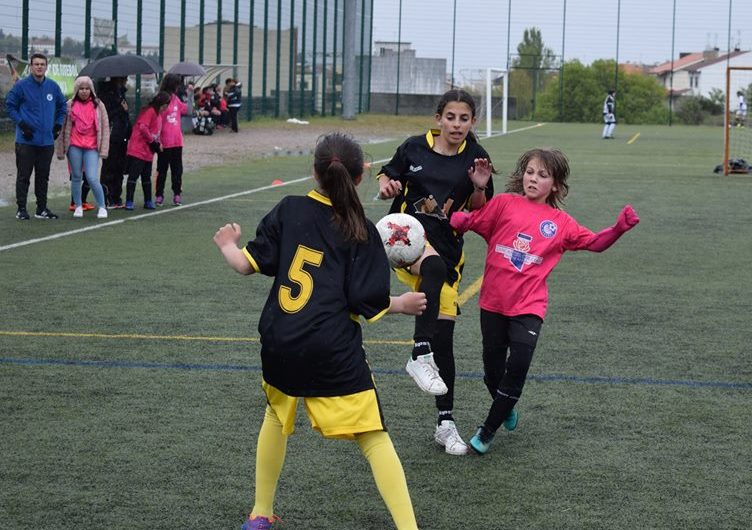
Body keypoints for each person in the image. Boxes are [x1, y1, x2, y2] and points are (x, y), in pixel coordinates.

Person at [213, 133, 425, 530]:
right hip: (330, 348)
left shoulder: (289, 208)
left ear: (313, 171)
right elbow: (367, 299)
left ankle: (260, 513)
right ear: (361, 175)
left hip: (280, 341)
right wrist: (402, 303)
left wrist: (228, 243)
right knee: (373, 435)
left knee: (276, 416)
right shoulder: (360, 227)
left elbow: (244, 265)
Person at [449, 148, 639, 455]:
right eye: (530, 172)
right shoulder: (504, 204)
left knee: (519, 365)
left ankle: (486, 431)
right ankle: (506, 405)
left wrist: (618, 229)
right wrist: (462, 221)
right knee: (492, 372)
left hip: (529, 306)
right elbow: (475, 220)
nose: (533, 179)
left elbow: (594, 243)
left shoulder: (560, 223)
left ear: (556, 186)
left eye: (542, 175)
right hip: (493, 303)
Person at [376, 89, 495, 456]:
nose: (456, 124)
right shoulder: (413, 147)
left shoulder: (477, 158)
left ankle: (445, 424)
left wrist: (478, 188)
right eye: (450, 118)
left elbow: (478, 211)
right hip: (404, 239)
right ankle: (418, 352)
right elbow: (387, 178)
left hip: (448, 250)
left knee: (445, 338)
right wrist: (386, 186)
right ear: (438, 119)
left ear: (472, 122)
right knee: (433, 266)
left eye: (464, 119)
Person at [5, 53, 67, 220]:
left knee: (43, 177)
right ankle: (21, 209)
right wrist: (22, 124)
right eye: (36, 64)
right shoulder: (21, 86)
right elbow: (10, 106)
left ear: (46, 67)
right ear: (31, 67)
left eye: (42, 64)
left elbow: (62, 107)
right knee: (24, 176)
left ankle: (41, 209)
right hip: (26, 141)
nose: (39, 66)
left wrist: (58, 125)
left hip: (46, 142)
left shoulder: (53, 87)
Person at [55, 76, 110, 219]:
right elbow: (62, 128)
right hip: (74, 146)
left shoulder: (99, 105)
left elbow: (104, 127)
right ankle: (78, 205)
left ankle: (102, 207)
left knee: (92, 177)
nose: (84, 91)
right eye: (81, 89)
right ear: (76, 90)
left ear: (91, 90)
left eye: (87, 88)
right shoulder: (69, 105)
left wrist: (103, 149)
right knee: (76, 177)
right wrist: (61, 149)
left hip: (91, 147)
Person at [125, 91, 169, 210]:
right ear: (161, 104)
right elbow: (143, 127)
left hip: (148, 152)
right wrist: (153, 142)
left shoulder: (159, 116)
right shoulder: (149, 111)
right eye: (165, 105)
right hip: (138, 150)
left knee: (146, 177)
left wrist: (159, 144)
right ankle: (129, 201)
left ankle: (148, 200)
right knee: (133, 176)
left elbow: (157, 133)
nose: (165, 108)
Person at [156, 73, 192, 206]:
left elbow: (188, 110)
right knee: (162, 170)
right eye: (177, 84)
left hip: (177, 142)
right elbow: (157, 118)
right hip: (164, 142)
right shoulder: (161, 99)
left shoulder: (176, 99)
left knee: (177, 170)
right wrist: (157, 139)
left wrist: (190, 95)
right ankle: (159, 195)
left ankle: (177, 194)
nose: (178, 87)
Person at [98, 76, 132, 209]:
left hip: (122, 136)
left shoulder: (121, 93)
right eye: (124, 78)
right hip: (111, 136)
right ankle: (106, 198)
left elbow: (125, 115)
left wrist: (129, 131)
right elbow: (107, 115)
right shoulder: (105, 95)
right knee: (109, 168)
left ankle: (116, 197)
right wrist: (121, 108)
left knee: (120, 168)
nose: (126, 80)